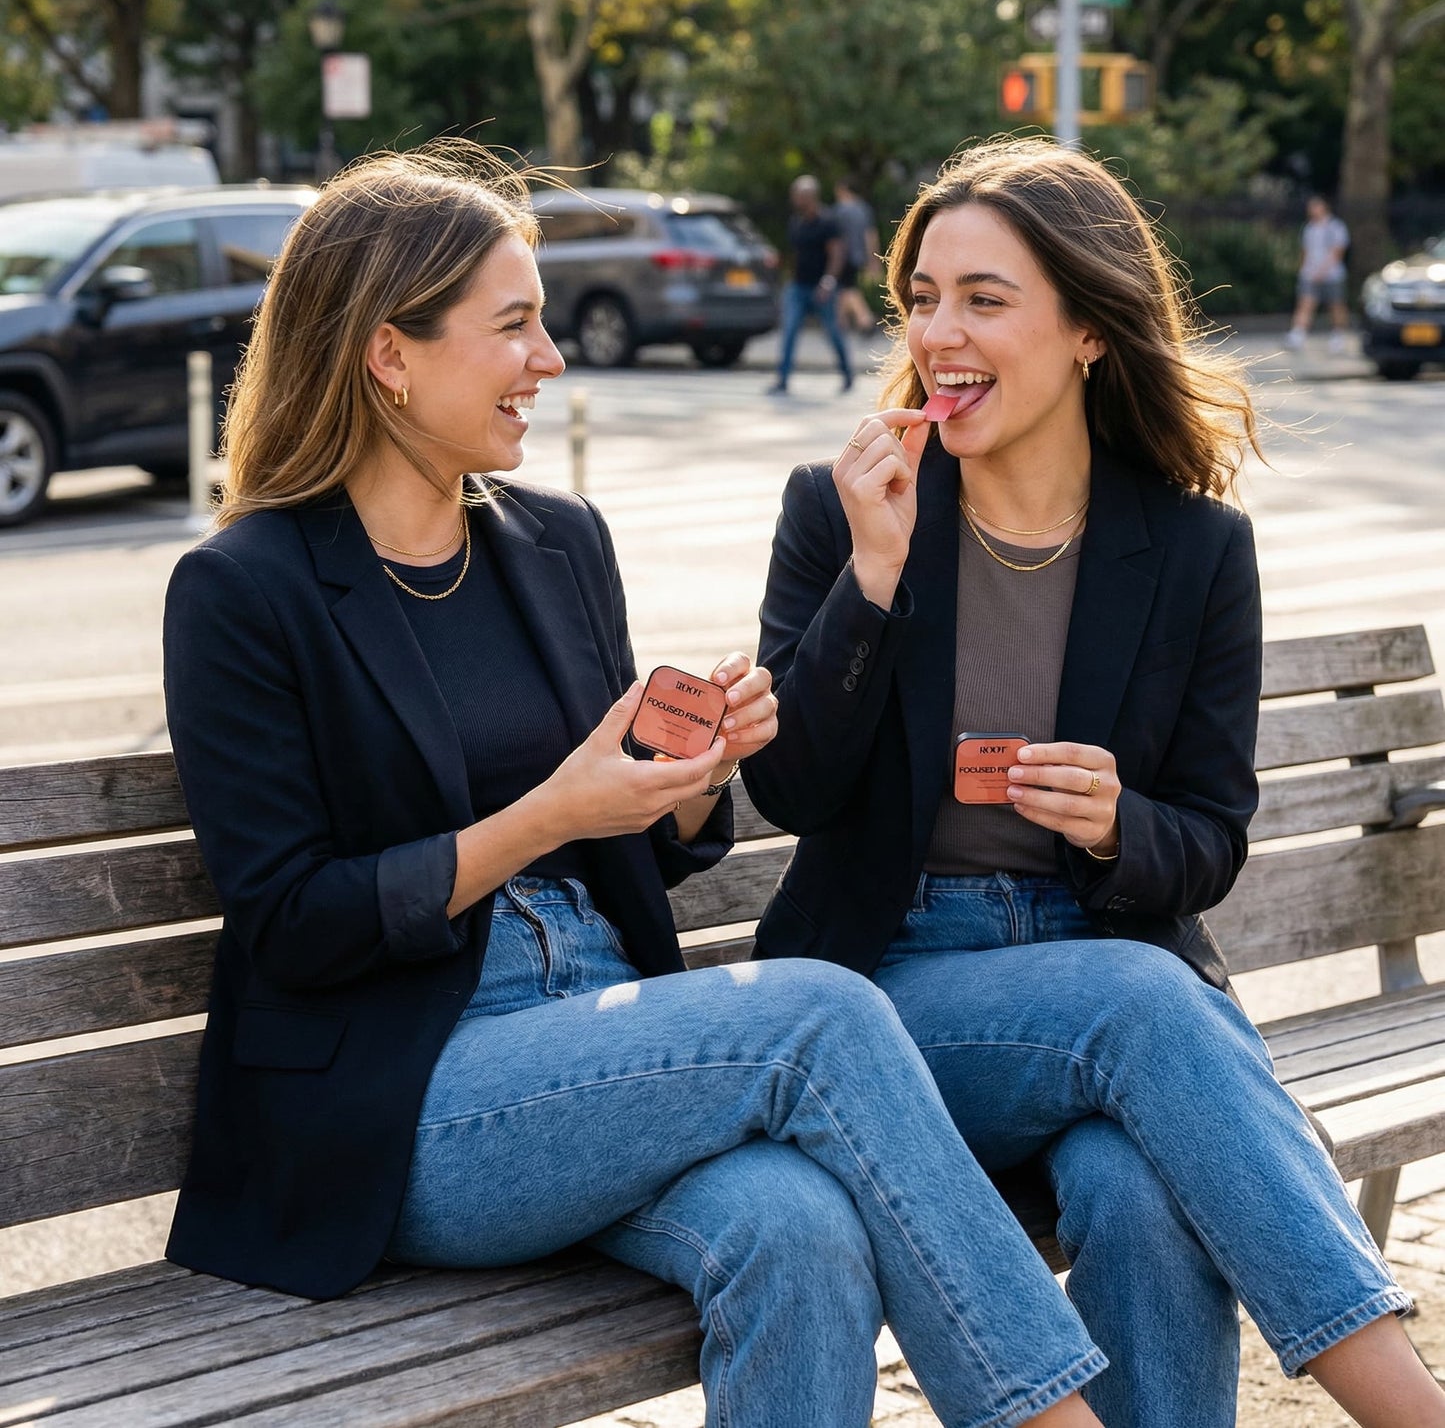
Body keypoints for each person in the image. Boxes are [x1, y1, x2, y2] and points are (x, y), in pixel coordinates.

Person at [160, 144, 1114, 1428]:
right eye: (512, 326)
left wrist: (682, 780)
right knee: (818, 1015)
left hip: (603, 1034)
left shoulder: (556, 542)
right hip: (410, 1096)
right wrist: (547, 814)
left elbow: (649, 845)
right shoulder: (244, 591)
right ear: (389, 353)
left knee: (797, 1224)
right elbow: (291, 918)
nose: (549, 357)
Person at [743, 136, 1445, 1428]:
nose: (938, 332)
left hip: (1096, 959)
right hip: (889, 992)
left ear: (1087, 329)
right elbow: (790, 785)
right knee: (1142, 999)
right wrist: (875, 576)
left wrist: (1123, 823)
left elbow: (1207, 841)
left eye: (984, 298)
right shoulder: (844, 508)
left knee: (1138, 1189)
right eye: (921, 296)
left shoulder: (1190, 547)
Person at [767, 174, 853, 395]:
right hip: (798, 286)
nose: (796, 200)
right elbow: (797, 253)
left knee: (833, 332)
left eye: (800, 195)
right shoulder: (796, 222)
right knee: (789, 330)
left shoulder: (827, 222)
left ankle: (847, 374)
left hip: (820, 287)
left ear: (811, 196)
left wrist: (828, 281)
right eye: (795, 195)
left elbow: (837, 254)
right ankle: (782, 379)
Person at [1288, 195, 1352, 352]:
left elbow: (1337, 252)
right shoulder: (1309, 228)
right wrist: (1303, 270)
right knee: (1305, 304)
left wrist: (1322, 271)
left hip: (1332, 275)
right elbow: (1305, 251)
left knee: (1336, 305)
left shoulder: (1335, 227)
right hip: (1310, 275)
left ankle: (1338, 336)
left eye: (1316, 206)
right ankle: (1297, 335)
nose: (1312, 210)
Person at [834, 176, 882, 334]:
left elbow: (835, 238)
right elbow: (870, 235)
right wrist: (873, 259)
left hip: (843, 256)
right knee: (843, 289)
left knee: (848, 289)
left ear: (842, 190)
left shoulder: (839, 210)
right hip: (858, 255)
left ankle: (865, 319)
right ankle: (841, 322)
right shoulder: (863, 208)